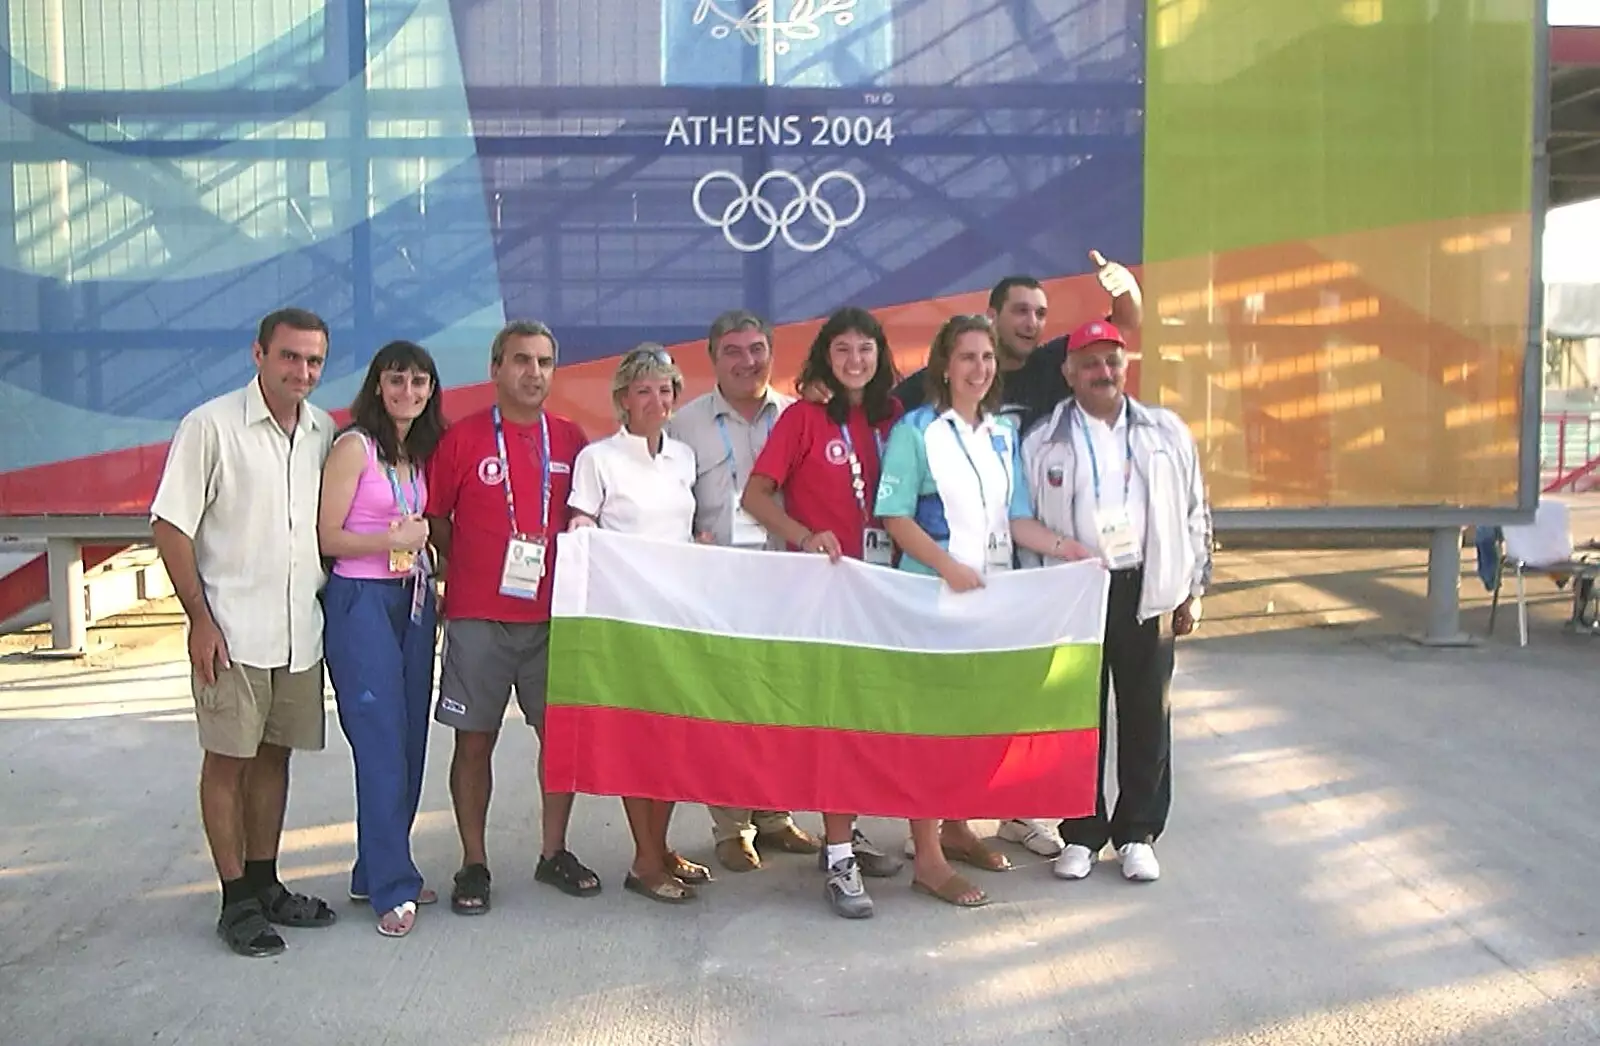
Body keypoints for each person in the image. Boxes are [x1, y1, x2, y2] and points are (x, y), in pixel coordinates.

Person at [875, 314, 1094, 906]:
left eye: (988, 358)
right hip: (930, 595)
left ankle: (958, 827)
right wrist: (947, 566)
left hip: (989, 599)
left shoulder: (1000, 435)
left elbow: (1015, 518)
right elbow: (894, 514)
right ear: (944, 366)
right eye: (967, 357)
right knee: (929, 724)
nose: (979, 369)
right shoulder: (914, 432)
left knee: (970, 719)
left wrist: (1064, 547)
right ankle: (927, 858)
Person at [149, 307, 339, 958]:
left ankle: (266, 882)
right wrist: (199, 618)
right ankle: (235, 901)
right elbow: (170, 526)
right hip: (230, 630)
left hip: (297, 632)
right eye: (290, 357)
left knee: (275, 757)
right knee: (228, 761)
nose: (302, 371)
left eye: (314, 360)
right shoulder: (209, 426)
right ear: (258, 354)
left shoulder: (323, 431)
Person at [1020, 319, 1212, 884]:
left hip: (1146, 586)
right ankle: (1080, 831)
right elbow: (1023, 521)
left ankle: (1137, 833)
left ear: (1126, 366)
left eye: (1112, 361)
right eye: (1090, 363)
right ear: (1069, 372)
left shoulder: (1167, 431)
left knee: (1147, 714)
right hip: (1073, 590)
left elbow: (1196, 512)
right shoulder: (1043, 438)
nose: (1102, 372)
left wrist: (1194, 588)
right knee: (1077, 716)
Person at [425, 320, 599, 915]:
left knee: (559, 739)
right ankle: (473, 862)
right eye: (521, 360)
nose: (534, 373)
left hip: (556, 620)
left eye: (545, 362)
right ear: (496, 368)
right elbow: (436, 519)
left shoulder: (573, 440)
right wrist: (472, 562)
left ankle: (554, 852)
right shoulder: (462, 440)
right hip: (478, 616)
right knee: (474, 743)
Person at [742, 306, 906, 918]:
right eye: (842, 350)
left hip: (885, 589)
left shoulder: (895, 416)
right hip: (825, 592)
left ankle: (849, 832)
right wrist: (805, 535)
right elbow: (755, 495)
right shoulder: (803, 418)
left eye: (866, 349)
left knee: (867, 718)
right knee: (835, 720)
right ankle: (839, 857)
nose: (855, 361)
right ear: (823, 359)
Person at [666, 309, 822, 872]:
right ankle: (732, 826)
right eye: (732, 351)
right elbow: (670, 500)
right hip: (720, 584)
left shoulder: (801, 416)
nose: (746, 361)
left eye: (757, 349)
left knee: (782, 699)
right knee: (727, 706)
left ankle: (776, 815)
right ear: (712, 359)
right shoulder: (685, 424)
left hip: (789, 578)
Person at [568, 344, 714, 904]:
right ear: (623, 400)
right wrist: (583, 530)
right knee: (641, 739)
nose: (656, 399)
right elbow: (582, 520)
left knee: (675, 736)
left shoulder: (683, 458)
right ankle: (644, 859)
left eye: (665, 389)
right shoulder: (599, 458)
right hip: (626, 619)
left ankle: (662, 844)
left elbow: (688, 526)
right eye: (643, 390)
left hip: (678, 616)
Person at [317, 340, 446, 938]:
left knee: (410, 739)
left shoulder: (414, 454)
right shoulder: (354, 447)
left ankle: (374, 866)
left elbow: (413, 531)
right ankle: (394, 884)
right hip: (362, 601)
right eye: (397, 381)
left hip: (412, 601)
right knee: (379, 739)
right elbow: (329, 537)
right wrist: (396, 541)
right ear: (377, 386)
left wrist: (421, 548)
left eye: (420, 383)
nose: (409, 393)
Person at [893, 254, 1142, 436]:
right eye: (1021, 311)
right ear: (992, 316)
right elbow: (883, 412)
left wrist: (1126, 288)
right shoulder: (948, 377)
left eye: (1040, 314)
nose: (1032, 323)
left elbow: (1123, 325)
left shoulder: (1055, 364)